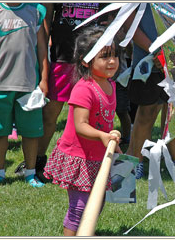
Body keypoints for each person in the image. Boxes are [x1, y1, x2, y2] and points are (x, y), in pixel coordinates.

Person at [15, 3, 112, 182]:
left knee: (93, 115)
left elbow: (110, 12)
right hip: (63, 57)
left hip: (94, 58)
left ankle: (93, 162)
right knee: (50, 114)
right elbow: (46, 19)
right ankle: (37, 162)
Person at [43, 26, 122, 236]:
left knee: (97, 203)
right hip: (79, 157)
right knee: (79, 208)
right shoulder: (84, 88)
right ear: (86, 61)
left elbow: (104, 121)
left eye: (114, 55)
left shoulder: (110, 85)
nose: (112, 61)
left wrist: (112, 141)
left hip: (98, 156)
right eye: (105, 57)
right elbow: (81, 125)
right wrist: (104, 136)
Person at [124, 3, 175, 179]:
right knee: (146, 112)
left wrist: (173, 51)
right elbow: (130, 25)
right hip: (146, 60)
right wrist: (156, 50)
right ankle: (136, 162)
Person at [0, 3, 49, 187]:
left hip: (29, 85)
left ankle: (30, 173)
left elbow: (42, 49)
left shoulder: (36, 10)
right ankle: (0, 172)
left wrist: (44, 79)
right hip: (0, 85)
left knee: (31, 132)